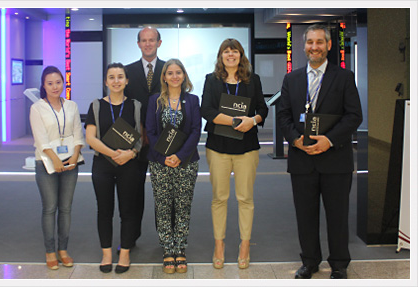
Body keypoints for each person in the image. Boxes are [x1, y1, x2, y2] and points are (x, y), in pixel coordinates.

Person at [277, 24, 363, 279]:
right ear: (304, 47)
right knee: (305, 215)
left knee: (337, 215)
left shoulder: (344, 77)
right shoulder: (291, 79)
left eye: (319, 42)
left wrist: (329, 140)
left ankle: (338, 264)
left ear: (328, 46)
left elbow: (354, 116)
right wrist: (294, 140)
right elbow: (283, 115)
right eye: (310, 42)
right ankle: (310, 261)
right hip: (302, 160)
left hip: (336, 160)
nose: (314, 47)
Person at [201, 39, 268, 270]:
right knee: (219, 198)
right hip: (218, 147)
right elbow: (206, 110)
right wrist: (234, 121)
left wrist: (253, 120)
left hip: (246, 147)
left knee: (245, 199)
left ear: (241, 55)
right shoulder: (211, 80)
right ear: (221, 56)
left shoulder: (253, 80)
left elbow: (263, 109)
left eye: (235, 51)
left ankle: (244, 246)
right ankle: (218, 245)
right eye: (226, 51)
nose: (230, 55)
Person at [85, 63, 143, 274]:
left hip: (129, 165)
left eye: (120, 77)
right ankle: (107, 253)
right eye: (112, 77)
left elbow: (140, 137)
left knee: (128, 210)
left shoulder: (135, 106)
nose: (116, 81)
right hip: (103, 165)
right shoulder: (97, 105)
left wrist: (131, 154)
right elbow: (90, 138)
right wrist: (114, 154)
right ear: (106, 81)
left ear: (126, 80)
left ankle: (125, 253)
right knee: (104, 210)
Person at [146, 59, 201, 274]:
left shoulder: (193, 100)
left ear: (184, 76)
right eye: (170, 73)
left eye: (179, 72)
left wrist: (179, 155)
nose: (175, 76)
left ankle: (181, 249)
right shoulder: (155, 101)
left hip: (186, 162)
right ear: (164, 77)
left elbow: (196, 131)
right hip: (160, 163)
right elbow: (150, 131)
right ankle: (168, 249)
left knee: (182, 206)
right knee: (163, 205)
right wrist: (165, 156)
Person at [30, 66, 85, 270]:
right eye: (50, 83)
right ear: (43, 86)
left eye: (58, 82)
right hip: (46, 163)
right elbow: (41, 138)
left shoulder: (71, 106)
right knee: (50, 208)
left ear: (64, 83)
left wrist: (74, 156)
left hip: (70, 161)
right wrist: (54, 159)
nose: (55, 86)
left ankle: (63, 250)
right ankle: (50, 251)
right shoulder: (37, 108)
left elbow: (78, 133)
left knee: (66, 208)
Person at [124, 27, 166, 249]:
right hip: (136, 143)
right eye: (144, 40)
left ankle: (166, 239)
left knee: (163, 194)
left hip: (163, 142)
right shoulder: (127, 72)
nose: (148, 44)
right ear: (138, 44)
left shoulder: (169, 70)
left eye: (152, 40)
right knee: (133, 194)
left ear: (159, 43)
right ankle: (130, 238)